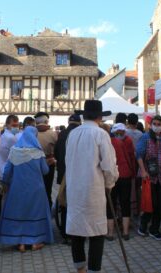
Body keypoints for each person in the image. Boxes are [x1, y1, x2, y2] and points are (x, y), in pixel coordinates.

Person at [66, 100, 118, 273]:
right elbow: (109, 166)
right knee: (96, 231)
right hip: (93, 189)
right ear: (99, 116)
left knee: (77, 230)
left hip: (75, 188)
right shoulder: (100, 134)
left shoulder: (73, 134)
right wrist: (110, 184)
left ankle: (80, 269)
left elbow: (67, 161)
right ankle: (93, 270)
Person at [0, 126, 54, 252]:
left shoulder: (14, 150)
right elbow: (45, 171)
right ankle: (35, 242)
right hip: (36, 190)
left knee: (19, 213)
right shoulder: (38, 152)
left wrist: (4, 183)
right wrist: (48, 163)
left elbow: (7, 172)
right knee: (35, 213)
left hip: (17, 189)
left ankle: (21, 243)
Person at [136, 115, 161, 241]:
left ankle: (154, 229)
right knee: (151, 203)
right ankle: (144, 225)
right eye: (154, 123)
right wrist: (143, 171)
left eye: (159, 124)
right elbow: (138, 154)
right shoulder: (145, 137)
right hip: (149, 176)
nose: (156, 126)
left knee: (160, 205)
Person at [54, 113, 81, 244]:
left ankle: (66, 233)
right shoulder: (80, 133)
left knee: (65, 204)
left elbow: (56, 153)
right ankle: (76, 233)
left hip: (64, 174)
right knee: (77, 204)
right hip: (78, 174)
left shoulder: (62, 134)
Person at [106, 123, 135, 241]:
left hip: (112, 176)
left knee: (110, 203)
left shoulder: (107, 143)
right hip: (125, 174)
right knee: (125, 203)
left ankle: (110, 233)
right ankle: (126, 232)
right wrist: (132, 172)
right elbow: (131, 158)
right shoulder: (125, 141)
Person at [35, 112, 58, 208]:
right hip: (49, 163)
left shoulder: (33, 133)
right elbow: (57, 150)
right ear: (46, 121)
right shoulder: (53, 134)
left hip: (35, 163)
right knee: (48, 188)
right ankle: (47, 207)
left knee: (37, 187)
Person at [0, 115, 20, 182]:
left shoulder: (3, 135)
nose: (16, 128)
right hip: (8, 172)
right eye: (13, 125)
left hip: (1, 169)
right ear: (7, 125)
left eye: (17, 125)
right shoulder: (11, 138)